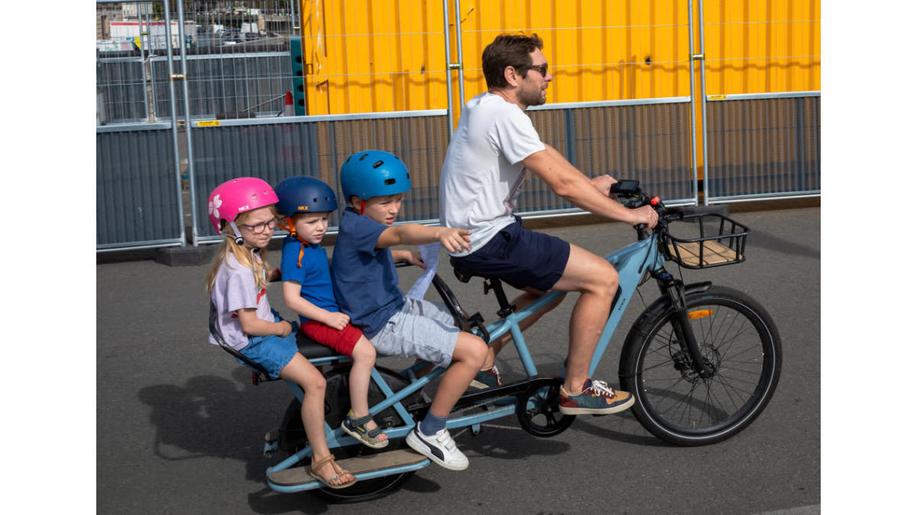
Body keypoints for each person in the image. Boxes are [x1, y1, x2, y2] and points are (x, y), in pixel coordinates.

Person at [438, 34, 659, 415]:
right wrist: (630, 214)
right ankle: (576, 387)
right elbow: (562, 184)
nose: (549, 77)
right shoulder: (504, 115)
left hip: (479, 236)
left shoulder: (486, 106)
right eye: (541, 69)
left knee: (551, 288)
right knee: (603, 278)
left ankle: (484, 357)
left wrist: (590, 185)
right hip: (490, 238)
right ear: (512, 74)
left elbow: (547, 157)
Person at [331, 149, 487, 471]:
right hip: (381, 323)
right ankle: (431, 431)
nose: (394, 209)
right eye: (385, 201)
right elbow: (399, 232)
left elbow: (379, 247)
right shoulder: (360, 227)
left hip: (393, 308)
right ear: (359, 201)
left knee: (460, 329)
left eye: (398, 200)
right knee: (473, 350)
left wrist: (399, 254)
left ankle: (407, 389)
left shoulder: (358, 222)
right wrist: (439, 233)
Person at [205, 177, 356, 489]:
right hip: (254, 339)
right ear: (230, 227)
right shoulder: (238, 270)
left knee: (313, 367)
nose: (265, 230)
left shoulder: (248, 253)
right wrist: (282, 327)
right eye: (254, 226)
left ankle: (307, 427)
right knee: (315, 383)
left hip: (260, 327)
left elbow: (264, 276)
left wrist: (289, 273)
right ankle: (321, 460)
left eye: (269, 222)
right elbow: (249, 325)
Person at [274, 176, 388, 449]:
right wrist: (327, 317)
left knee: (356, 354)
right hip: (320, 321)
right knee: (366, 353)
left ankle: (343, 402)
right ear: (288, 222)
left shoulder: (309, 246)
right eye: (312, 221)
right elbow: (292, 299)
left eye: (324, 219)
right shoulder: (296, 251)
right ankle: (359, 417)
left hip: (330, 314)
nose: (320, 227)